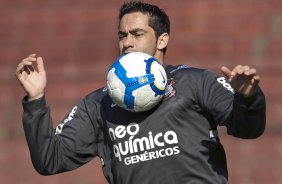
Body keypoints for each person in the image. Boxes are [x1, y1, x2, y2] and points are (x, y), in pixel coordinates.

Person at [15, 1, 266, 184]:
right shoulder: (99, 102)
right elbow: (50, 160)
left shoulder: (195, 81)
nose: (127, 42)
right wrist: (36, 100)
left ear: (162, 40)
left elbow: (248, 128)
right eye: (122, 35)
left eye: (137, 34)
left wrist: (248, 99)